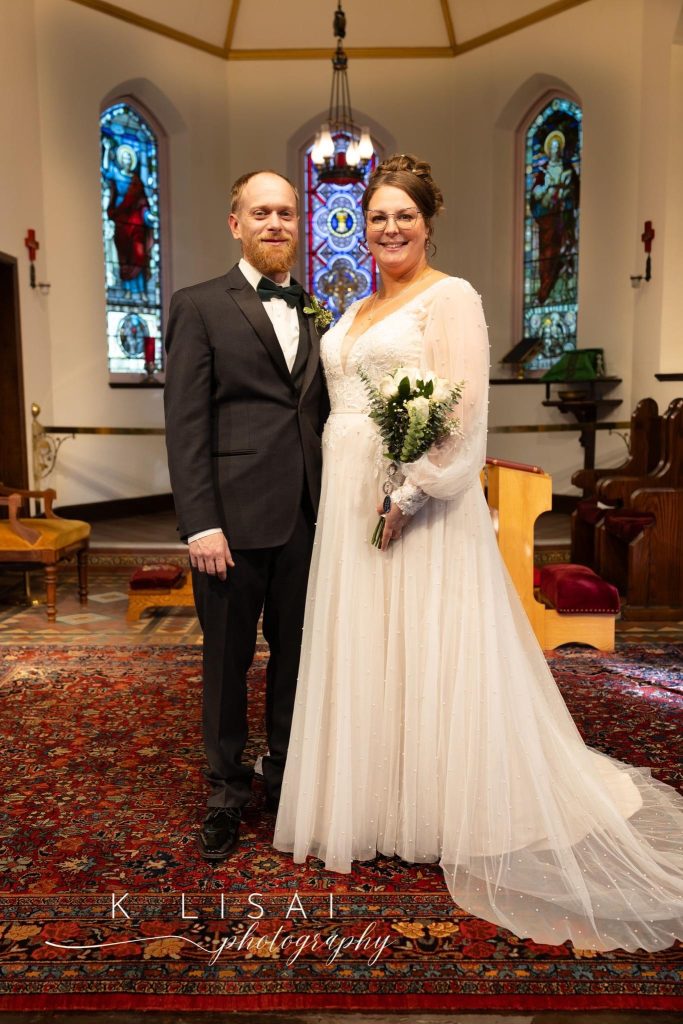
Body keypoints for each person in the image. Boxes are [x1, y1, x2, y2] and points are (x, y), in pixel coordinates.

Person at [274, 154, 683, 952]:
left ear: (428, 221)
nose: (389, 228)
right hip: (346, 496)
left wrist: (411, 492)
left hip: (414, 504)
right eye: (377, 216)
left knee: (426, 647)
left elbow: (462, 417)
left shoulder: (450, 298)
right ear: (361, 226)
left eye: (404, 215)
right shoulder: (353, 308)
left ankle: (435, 803)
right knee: (366, 646)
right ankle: (373, 799)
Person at [164, 170, 328, 860]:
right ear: (235, 223)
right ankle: (225, 793)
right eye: (260, 212)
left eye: (286, 213)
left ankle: (286, 779)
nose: (274, 223)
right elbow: (185, 423)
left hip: (306, 518)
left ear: (299, 225)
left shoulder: (318, 310)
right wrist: (200, 522)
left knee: (296, 661)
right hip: (228, 526)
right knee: (227, 663)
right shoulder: (198, 305)